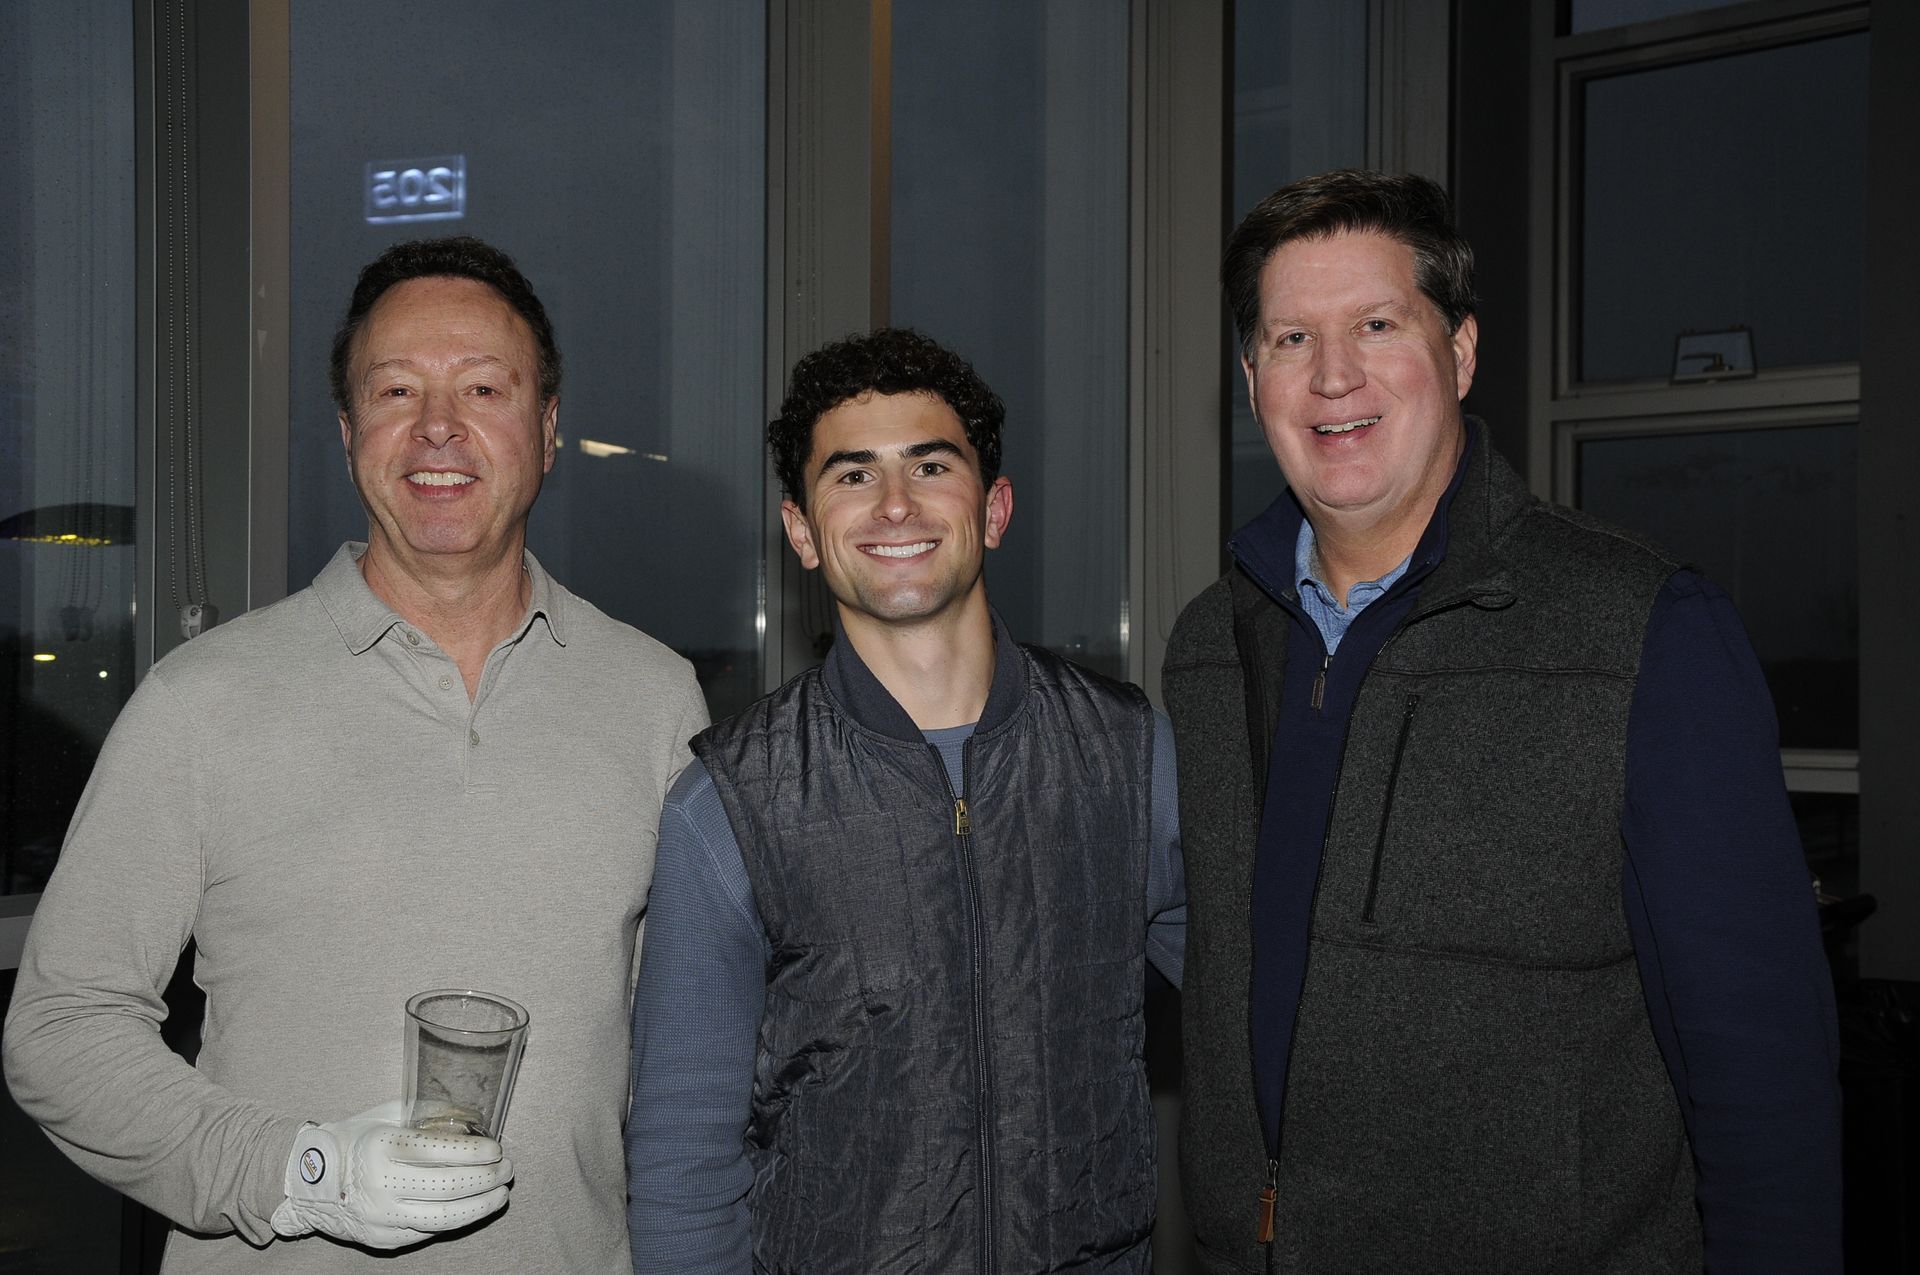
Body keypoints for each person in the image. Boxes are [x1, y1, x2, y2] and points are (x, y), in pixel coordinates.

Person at [1161, 170, 1841, 1273]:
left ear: (1462, 353)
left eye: (1377, 325)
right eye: (1291, 339)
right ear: (1250, 382)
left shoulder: (1643, 632)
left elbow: (1762, 1073)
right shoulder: (1206, 647)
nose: (1333, 375)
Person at [4, 236, 708, 1272]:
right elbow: (61, 1029)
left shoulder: (653, 698)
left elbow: (681, 1069)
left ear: (548, 430)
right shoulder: (204, 702)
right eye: (394, 392)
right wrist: (301, 1174)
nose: (437, 427)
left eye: (482, 387)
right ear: (348, 434)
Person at [625, 328, 1186, 1273]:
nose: (894, 504)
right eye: (851, 475)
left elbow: (1269, 1024)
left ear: (995, 507)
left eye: (930, 464)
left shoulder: (1132, 753)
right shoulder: (726, 804)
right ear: (801, 529)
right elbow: (685, 1154)